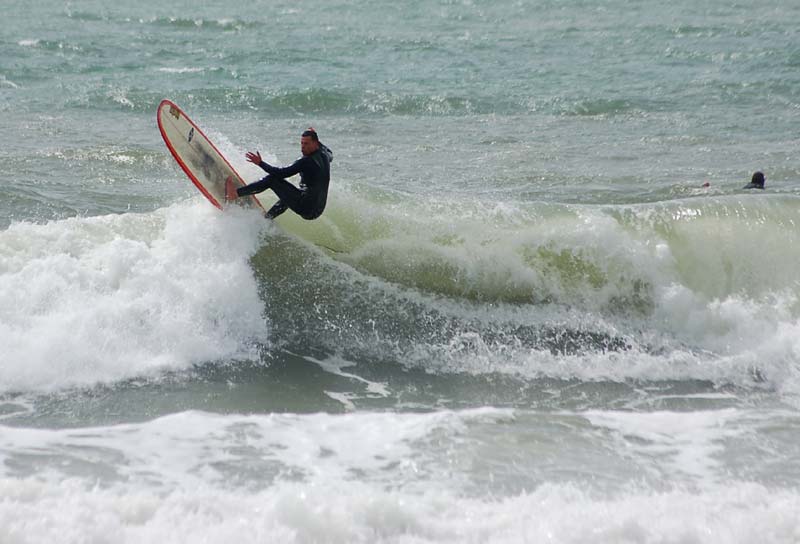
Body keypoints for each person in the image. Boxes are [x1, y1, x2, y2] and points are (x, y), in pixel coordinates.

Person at [227, 128, 333, 220]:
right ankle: (268, 218)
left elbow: (281, 173)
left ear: (315, 143)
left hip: (306, 208)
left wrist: (260, 163)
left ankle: (236, 193)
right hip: (317, 209)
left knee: (272, 180)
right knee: (287, 194)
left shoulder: (306, 161)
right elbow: (330, 153)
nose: (303, 147)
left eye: (306, 144)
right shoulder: (325, 155)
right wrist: (315, 136)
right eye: (302, 143)